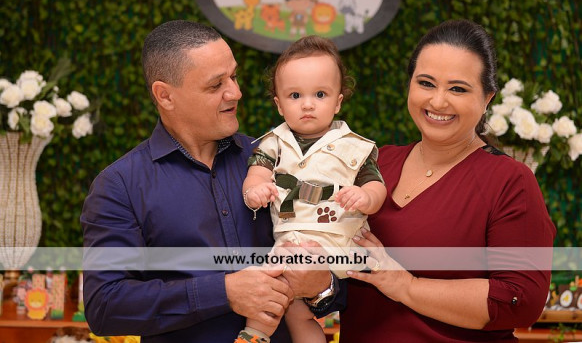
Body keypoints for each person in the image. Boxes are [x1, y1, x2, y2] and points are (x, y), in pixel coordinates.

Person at [80, 20, 331, 343]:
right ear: (165, 96)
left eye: (234, 77)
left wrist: (323, 284)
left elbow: (337, 262)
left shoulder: (277, 158)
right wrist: (223, 292)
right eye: (216, 85)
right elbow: (105, 307)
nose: (236, 93)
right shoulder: (120, 186)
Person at [333, 19, 556, 342]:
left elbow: (520, 299)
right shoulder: (374, 163)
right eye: (426, 83)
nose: (438, 102)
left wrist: (406, 286)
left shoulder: (510, 181)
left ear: (487, 99)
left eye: (458, 88)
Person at [238, 36, 386, 343]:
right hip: (290, 242)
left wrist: (367, 197)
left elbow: (375, 184)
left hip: (336, 243)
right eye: (295, 95)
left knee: (273, 284)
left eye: (320, 94)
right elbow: (256, 174)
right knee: (286, 305)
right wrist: (254, 191)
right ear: (279, 105)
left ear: (338, 102)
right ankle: (253, 335)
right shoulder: (273, 143)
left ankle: (253, 334)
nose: (307, 104)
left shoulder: (353, 147)